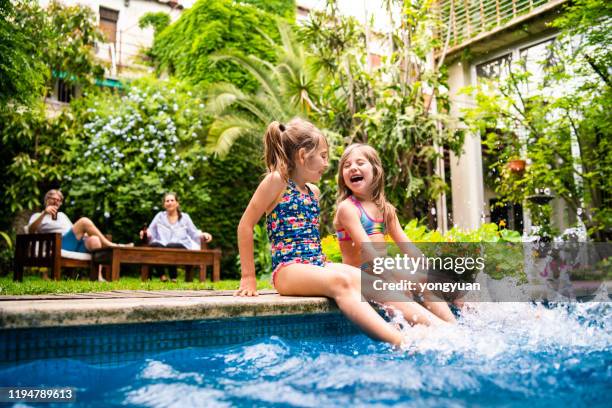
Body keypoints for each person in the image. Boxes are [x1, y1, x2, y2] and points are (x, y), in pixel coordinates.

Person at [236, 118, 420, 346]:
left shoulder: (313, 191)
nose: (327, 163)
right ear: (303, 156)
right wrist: (248, 278)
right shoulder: (276, 181)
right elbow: (245, 225)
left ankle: (439, 330)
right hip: (288, 269)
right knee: (341, 282)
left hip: (317, 263)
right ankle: (401, 342)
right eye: (323, 156)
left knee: (373, 281)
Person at [333, 143, 456, 323]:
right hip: (360, 276)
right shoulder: (347, 208)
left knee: (426, 278)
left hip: (380, 271)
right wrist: (391, 279)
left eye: (360, 162)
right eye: (347, 165)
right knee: (403, 289)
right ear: (343, 177)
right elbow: (367, 249)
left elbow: (407, 246)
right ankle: (422, 327)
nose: (353, 168)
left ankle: (452, 324)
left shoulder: (385, 209)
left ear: (376, 170)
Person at [28, 189, 125, 281]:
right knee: (84, 221)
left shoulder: (62, 216)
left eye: (59, 200)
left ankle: (98, 276)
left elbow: (73, 229)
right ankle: (110, 244)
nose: (56, 202)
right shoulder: (37, 216)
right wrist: (44, 213)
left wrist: (85, 233)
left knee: (94, 239)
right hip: (58, 244)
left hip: (73, 244)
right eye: (54, 199)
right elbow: (31, 230)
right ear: (47, 200)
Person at [140, 192, 213, 283]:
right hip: (162, 245)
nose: (169, 202)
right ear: (164, 204)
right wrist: (145, 233)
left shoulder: (185, 217)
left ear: (177, 203)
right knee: (155, 245)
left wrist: (203, 234)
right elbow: (151, 231)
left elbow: (193, 233)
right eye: (167, 201)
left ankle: (173, 277)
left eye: (172, 200)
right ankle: (162, 275)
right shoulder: (159, 216)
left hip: (181, 246)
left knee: (172, 245)